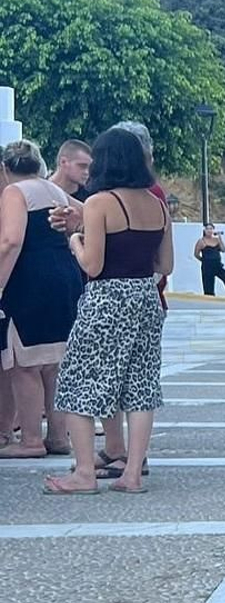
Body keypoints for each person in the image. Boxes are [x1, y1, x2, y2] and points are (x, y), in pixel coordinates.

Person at [46, 127, 172, 494]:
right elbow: (165, 264)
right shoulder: (158, 205)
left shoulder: (101, 202)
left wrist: (74, 240)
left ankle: (84, 473)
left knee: (77, 380)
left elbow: (93, 265)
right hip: (145, 298)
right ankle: (132, 474)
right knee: (141, 385)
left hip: (106, 299)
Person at [0, 140, 81, 458]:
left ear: (6, 169)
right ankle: (59, 437)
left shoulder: (14, 192)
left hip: (30, 278)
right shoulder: (54, 191)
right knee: (53, 362)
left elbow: (11, 240)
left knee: (24, 363)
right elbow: (85, 215)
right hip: (64, 276)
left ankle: (31, 439)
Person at [193, 223, 225, 299]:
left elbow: (223, 250)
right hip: (207, 267)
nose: (209, 231)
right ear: (204, 230)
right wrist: (203, 260)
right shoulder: (201, 241)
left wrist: (220, 239)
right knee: (208, 286)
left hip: (217, 265)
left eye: (211, 229)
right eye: (208, 229)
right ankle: (210, 299)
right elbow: (196, 254)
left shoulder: (216, 240)